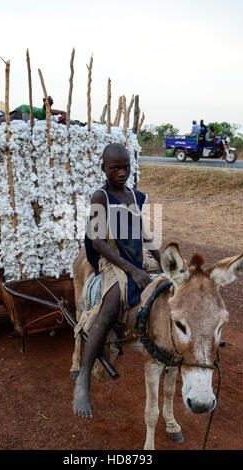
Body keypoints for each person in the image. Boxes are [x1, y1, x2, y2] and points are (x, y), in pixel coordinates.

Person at [73, 143, 162, 418]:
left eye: (126, 167)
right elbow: (98, 241)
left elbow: (144, 234)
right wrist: (130, 270)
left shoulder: (136, 197)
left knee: (168, 290)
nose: (121, 173)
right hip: (112, 262)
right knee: (110, 305)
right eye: (115, 168)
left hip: (137, 260)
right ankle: (84, 377)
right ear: (104, 169)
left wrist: (164, 260)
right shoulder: (100, 197)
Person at [0, 96, 66, 126]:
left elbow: (41, 113)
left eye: (2, 120)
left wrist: (46, 106)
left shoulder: (24, 109)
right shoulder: (19, 124)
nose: (5, 122)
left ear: (2, 116)